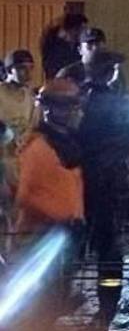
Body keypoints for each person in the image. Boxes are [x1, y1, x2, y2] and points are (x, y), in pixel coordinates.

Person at [75, 54, 129, 328]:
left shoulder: (79, 101)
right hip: (108, 186)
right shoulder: (118, 104)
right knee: (109, 252)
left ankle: (68, 301)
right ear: (110, 73)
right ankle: (106, 308)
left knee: (78, 247)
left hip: (80, 184)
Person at [13, 80, 86, 317]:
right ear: (47, 108)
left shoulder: (68, 144)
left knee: (59, 290)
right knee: (43, 298)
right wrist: (61, 217)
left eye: (72, 107)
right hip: (41, 234)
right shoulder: (37, 148)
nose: (70, 112)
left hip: (66, 230)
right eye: (64, 107)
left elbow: (71, 186)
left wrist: (76, 217)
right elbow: (25, 195)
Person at [0, 50, 37, 249]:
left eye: (30, 68)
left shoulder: (29, 98)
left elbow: (32, 127)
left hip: (20, 164)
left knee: (17, 213)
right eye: (21, 68)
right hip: (2, 164)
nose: (27, 73)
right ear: (9, 70)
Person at [57, 27, 126, 93]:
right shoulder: (68, 73)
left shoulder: (111, 71)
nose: (95, 48)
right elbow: (55, 99)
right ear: (80, 50)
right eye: (89, 45)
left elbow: (123, 94)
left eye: (98, 44)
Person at [39, 12, 88, 83]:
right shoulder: (54, 46)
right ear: (73, 29)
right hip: (60, 84)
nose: (84, 33)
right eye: (82, 29)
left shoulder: (77, 45)